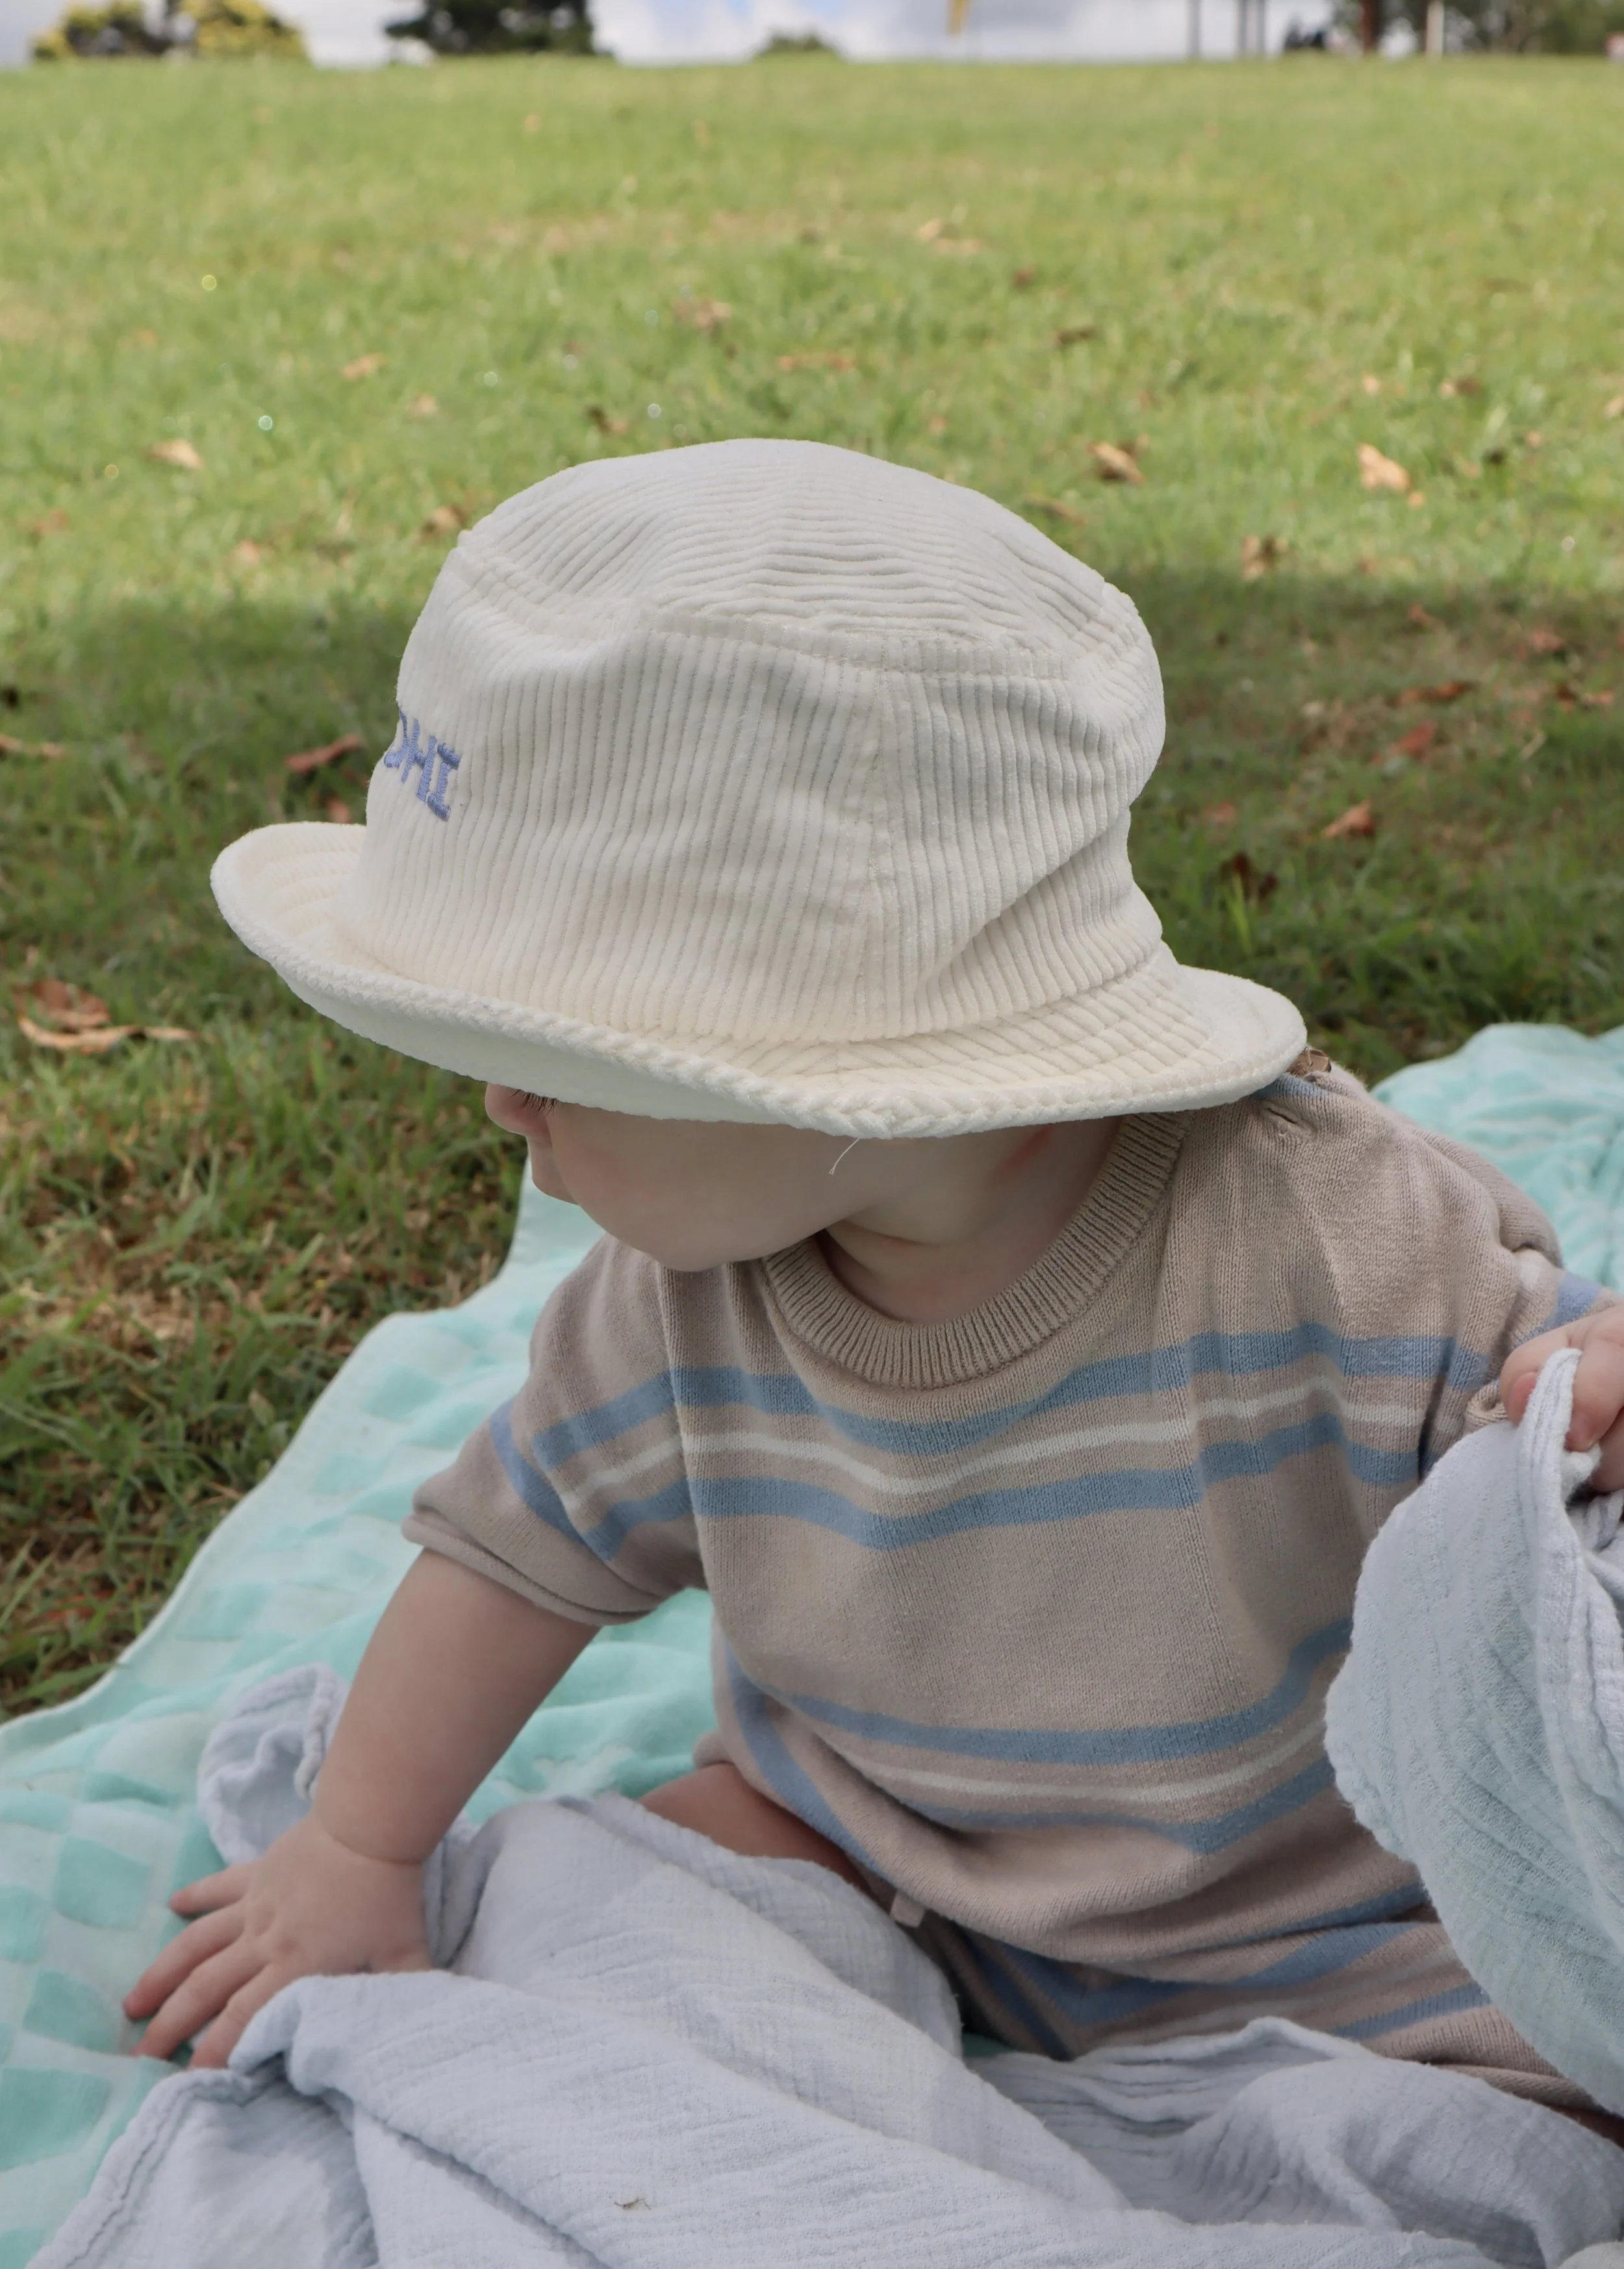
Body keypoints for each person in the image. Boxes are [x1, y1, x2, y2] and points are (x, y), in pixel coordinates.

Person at [127, 440, 1624, 2124]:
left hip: (1332, 1921)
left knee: (1525, 2110)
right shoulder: (679, 1300)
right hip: (865, 1845)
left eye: (553, 1049)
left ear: (850, 1055)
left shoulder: (1325, 1240)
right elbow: (508, 1556)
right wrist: (355, 1843)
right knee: (549, 1928)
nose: (498, 1103)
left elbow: (1547, 1503)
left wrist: (1596, 1378)